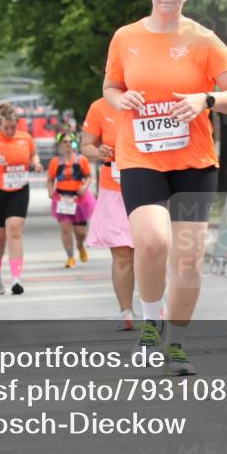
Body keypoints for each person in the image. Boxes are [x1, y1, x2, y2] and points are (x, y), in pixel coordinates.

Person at [103, 0, 227, 375]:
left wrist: (204, 99)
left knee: (187, 258)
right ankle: (151, 326)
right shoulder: (125, 37)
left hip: (192, 162)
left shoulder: (203, 40)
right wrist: (120, 99)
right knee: (152, 243)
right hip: (140, 157)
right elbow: (112, 86)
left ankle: (178, 343)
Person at [0, 103, 42, 295]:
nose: (10, 131)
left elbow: (33, 155)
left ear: (17, 124)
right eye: (6, 128)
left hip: (19, 188)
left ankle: (16, 279)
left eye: (13, 127)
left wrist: (35, 163)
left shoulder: (25, 139)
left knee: (15, 230)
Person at [81, 96, 136, 329]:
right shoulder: (99, 107)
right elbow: (86, 146)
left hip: (153, 185)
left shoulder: (152, 98)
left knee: (152, 251)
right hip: (114, 187)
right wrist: (98, 151)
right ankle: (126, 312)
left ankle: (158, 309)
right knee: (122, 254)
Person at [47, 131, 96, 268]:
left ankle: (80, 245)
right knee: (65, 229)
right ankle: (70, 257)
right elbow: (50, 179)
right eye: (65, 142)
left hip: (79, 199)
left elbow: (89, 176)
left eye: (71, 142)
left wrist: (85, 187)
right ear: (60, 145)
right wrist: (50, 191)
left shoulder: (81, 160)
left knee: (81, 232)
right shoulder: (55, 162)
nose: (68, 144)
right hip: (62, 199)